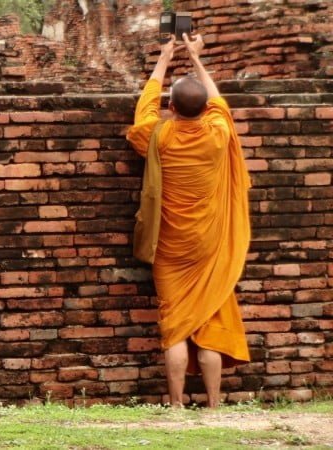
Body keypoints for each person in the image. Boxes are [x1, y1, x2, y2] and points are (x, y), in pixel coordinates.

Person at [126, 33, 251, 408]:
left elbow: (144, 110)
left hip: (170, 244)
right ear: (202, 110)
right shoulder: (218, 133)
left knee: (175, 324)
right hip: (211, 243)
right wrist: (196, 59)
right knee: (210, 320)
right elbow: (219, 103)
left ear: (173, 108)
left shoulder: (159, 135)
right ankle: (214, 405)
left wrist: (164, 60)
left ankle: (177, 404)